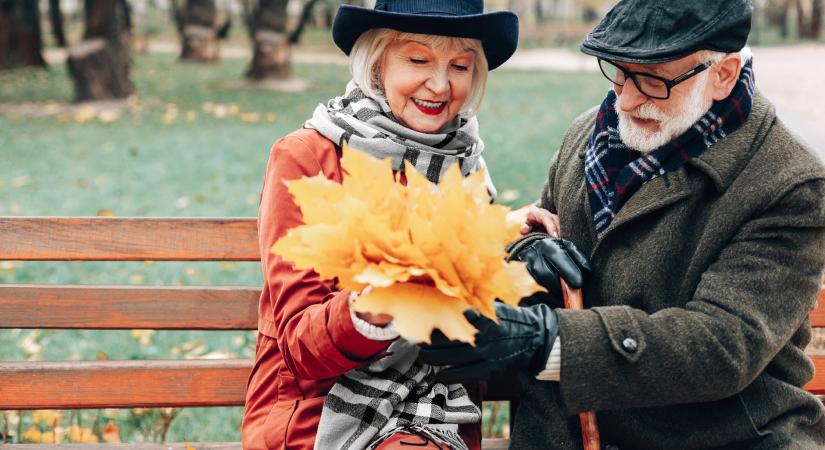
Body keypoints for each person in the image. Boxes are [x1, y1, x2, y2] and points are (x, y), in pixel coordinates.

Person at [419, 0, 825, 448]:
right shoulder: (587, 135)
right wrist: (528, 255)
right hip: (567, 431)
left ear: (723, 75)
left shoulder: (790, 183)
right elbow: (545, 225)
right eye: (620, 72)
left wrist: (550, 342)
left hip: (724, 436)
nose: (625, 100)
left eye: (653, 82)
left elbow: (724, 345)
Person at [241, 1, 520, 449]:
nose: (441, 84)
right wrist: (375, 305)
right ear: (377, 63)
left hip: (437, 420)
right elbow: (298, 347)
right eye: (417, 59)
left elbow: (478, 313)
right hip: (318, 419)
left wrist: (518, 240)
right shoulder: (307, 157)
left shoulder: (466, 163)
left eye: (460, 66)